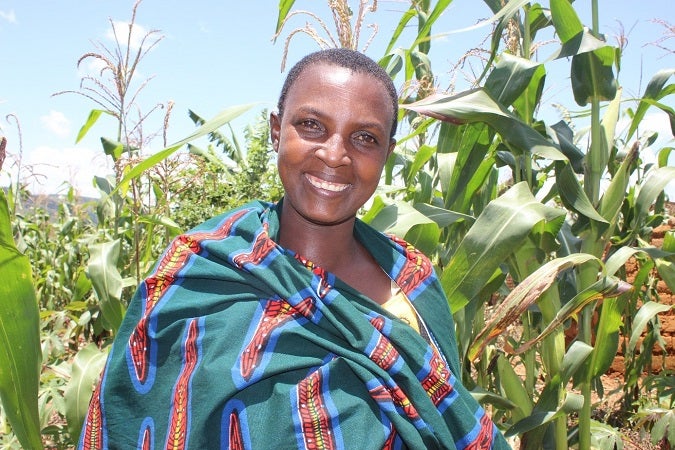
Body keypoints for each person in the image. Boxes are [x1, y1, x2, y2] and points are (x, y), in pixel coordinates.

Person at [79, 48, 509, 450]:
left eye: (365, 138)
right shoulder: (199, 273)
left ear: (387, 154)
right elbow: (132, 415)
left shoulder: (412, 279)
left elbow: (447, 419)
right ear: (275, 130)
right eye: (311, 126)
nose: (335, 154)